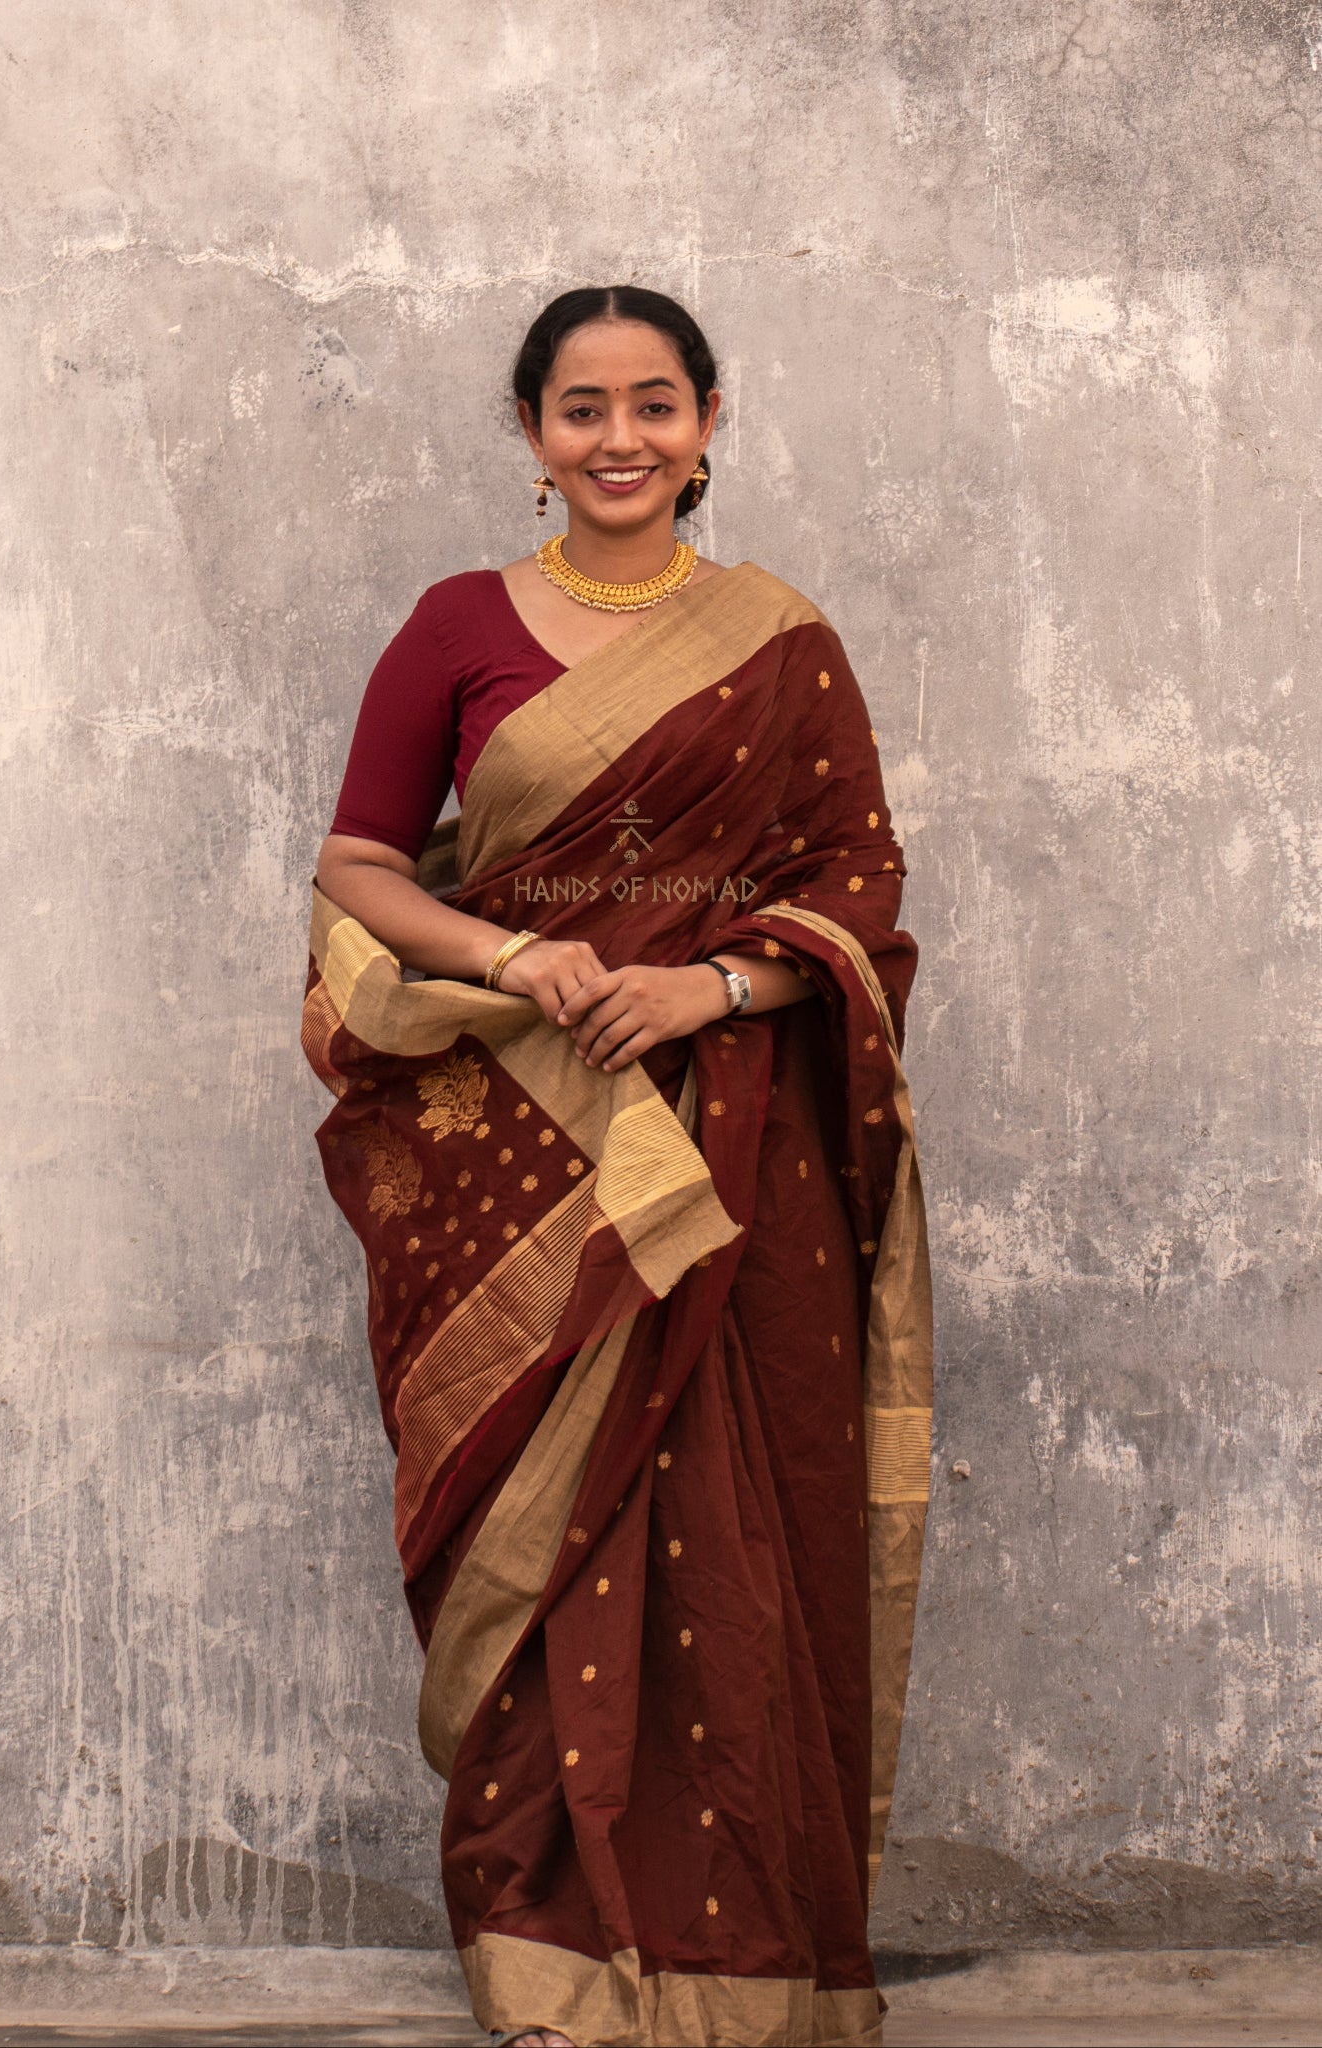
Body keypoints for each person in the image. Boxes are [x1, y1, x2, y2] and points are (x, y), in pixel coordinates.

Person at [304, 285, 932, 2048]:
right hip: (526, 1140)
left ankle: (751, 1969)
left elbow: (861, 885)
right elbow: (360, 861)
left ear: (711, 419)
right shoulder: (455, 629)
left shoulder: (781, 639)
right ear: (531, 439)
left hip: (733, 1146)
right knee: (547, 1534)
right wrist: (520, 961)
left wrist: (711, 981)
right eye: (582, 411)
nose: (621, 440)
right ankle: (540, 1957)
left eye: (655, 405)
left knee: (740, 1532)